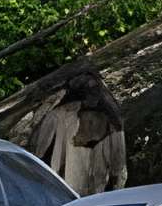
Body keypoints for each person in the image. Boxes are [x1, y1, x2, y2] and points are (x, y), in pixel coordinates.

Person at [23, 66, 127, 196]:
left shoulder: (111, 120)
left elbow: (118, 164)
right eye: (87, 90)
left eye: (94, 90)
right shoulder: (59, 115)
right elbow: (39, 151)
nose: (91, 96)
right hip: (67, 187)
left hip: (96, 188)